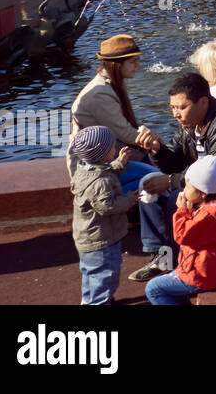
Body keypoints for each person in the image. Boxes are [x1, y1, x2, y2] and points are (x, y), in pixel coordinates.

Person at [131, 72, 216, 282]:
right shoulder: (191, 124)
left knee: (177, 198)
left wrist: (171, 181)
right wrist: (157, 149)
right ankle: (162, 256)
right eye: (172, 108)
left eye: (181, 107)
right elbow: (175, 161)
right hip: (208, 186)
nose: (176, 114)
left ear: (203, 102)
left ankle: (184, 261)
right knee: (146, 184)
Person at [144, 155, 216, 305]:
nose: (184, 190)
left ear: (203, 193)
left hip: (200, 276)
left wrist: (182, 211)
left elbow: (181, 236)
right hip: (215, 271)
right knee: (172, 282)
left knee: (153, 288)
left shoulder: (207, 215)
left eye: (187, 186)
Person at [68, 35, 161, 192]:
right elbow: (124, 132)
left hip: (109, 156)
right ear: (116, 65)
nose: (138, 65)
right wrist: (154, 142)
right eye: (133, 62)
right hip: (95, 169)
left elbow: (124, 128)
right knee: (155, 179)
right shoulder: (99, 94)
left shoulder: (109, 84)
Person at [70, 126, 136, 305]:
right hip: (101, 239)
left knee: (90, 272)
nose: (115, 148)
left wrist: (119, 163)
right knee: (106, 273)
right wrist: (128, 200)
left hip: (87, 238)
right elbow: (107, 206)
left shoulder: (84, 171)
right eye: (112, 146)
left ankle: (89, 299)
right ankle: (98, 302)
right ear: (104, 152)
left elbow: (105, 173)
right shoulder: (100, 182)